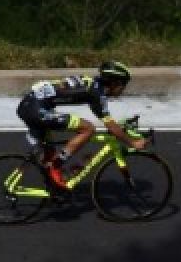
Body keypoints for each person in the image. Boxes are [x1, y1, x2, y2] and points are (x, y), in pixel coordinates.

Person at [16, 60, 147, 190]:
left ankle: (52, 182)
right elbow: (111, 126)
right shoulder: (96, 93)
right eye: (123, 85)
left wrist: (121, 127)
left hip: (32, 104)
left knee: (49, 152)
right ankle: (55, 166)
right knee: (88, 128)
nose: (123, 89)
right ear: (114, 83)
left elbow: (110, 123)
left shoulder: (93, 85)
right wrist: (133, 143)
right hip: (35, 109)